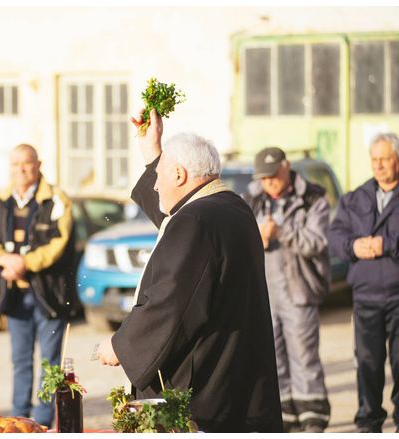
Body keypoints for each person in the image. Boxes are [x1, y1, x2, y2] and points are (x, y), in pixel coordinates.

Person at [97, 109, 283, 432]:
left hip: (206, 391)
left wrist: (121, 345)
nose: (154, 186)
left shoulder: (196, 222)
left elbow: (169, 302)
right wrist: (152, 152)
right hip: (236, 378)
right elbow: (175, 224)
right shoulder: (233, 208)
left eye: (160, 176)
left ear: (180, 175)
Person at [0, 143, 77, 428]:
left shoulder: (57, 200)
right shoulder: (0, 201)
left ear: (39, 164)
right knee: (20, 360)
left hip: (49, 295)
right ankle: (19, 421)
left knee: (50, 363)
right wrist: (3, 257)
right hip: (14, 296)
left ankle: (43, 422)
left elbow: (59, 243)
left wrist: (25, 262)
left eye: (26, 163)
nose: (21, 169)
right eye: (15, 164)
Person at [243, 147, 331, 432]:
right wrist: (260, 236)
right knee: (273, 361)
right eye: (263, 178)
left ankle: (313, 422)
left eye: (272, 176)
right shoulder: (253, 198)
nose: (268, 182)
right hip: (265, 294)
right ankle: (285, 422)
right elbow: (242, 241)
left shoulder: (312, 197)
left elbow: (317, 242)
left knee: (304, 359)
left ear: (286, 167)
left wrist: (281, 232)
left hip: (299, 292)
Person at [329, 132, 399, 433]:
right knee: (367, 366)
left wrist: (387, 244)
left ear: (397, 160)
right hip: (367, 296)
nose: (379, 166)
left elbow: (387, 242)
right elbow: (335, 237)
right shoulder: (354, 198)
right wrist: (354, 247)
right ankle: (369, 424)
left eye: (384, 159)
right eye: (374, 160)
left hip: (398, 296)